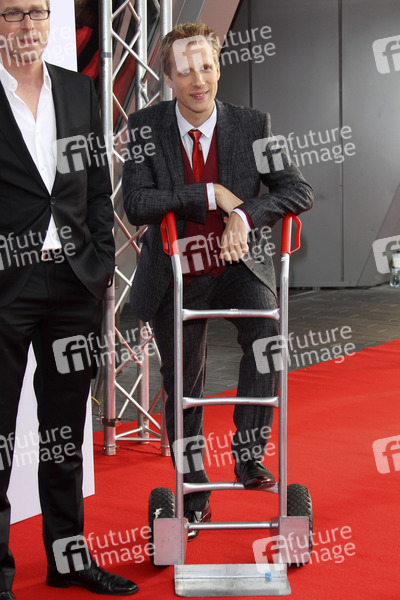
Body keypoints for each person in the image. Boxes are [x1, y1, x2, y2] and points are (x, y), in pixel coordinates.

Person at [123, 22, 313, 540]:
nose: (198, 80)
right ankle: (194, 496)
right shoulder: (146, 127)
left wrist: (244, 214)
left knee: (267, 335)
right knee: (183, 381)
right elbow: (135, 203)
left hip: (235, 266)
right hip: (175, 271)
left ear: (218, 68)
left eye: (206, 66)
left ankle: (248, 455)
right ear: (169, 77)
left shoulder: (253, 124)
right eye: (185, 71)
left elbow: (297, 190)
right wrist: (208, 194)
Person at [0, 1, 138, 597]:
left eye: (36, 12)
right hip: (6, 288)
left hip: (74, 284)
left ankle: (67, 560)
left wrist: (101, 263)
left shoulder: (80, 91)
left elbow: (98, 189)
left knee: (64, 436)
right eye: (12, 14)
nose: (27, 25)